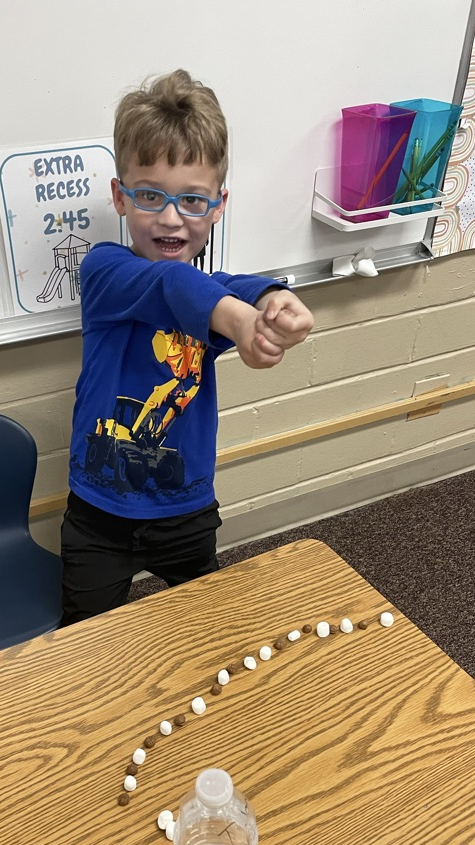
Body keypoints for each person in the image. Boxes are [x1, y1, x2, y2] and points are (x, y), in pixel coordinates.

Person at [61, 68, 313, 625]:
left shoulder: (211, 294)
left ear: (219, 206)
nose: (171, 217)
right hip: (99, 514)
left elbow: (229, 286)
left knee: (207, 629)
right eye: (150, 195)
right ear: (120, 197)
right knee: (83, 641)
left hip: (185, 507)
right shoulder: (104, 272)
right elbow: (172, 286)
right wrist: (241, 321)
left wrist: (273, 299)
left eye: (193, 200)